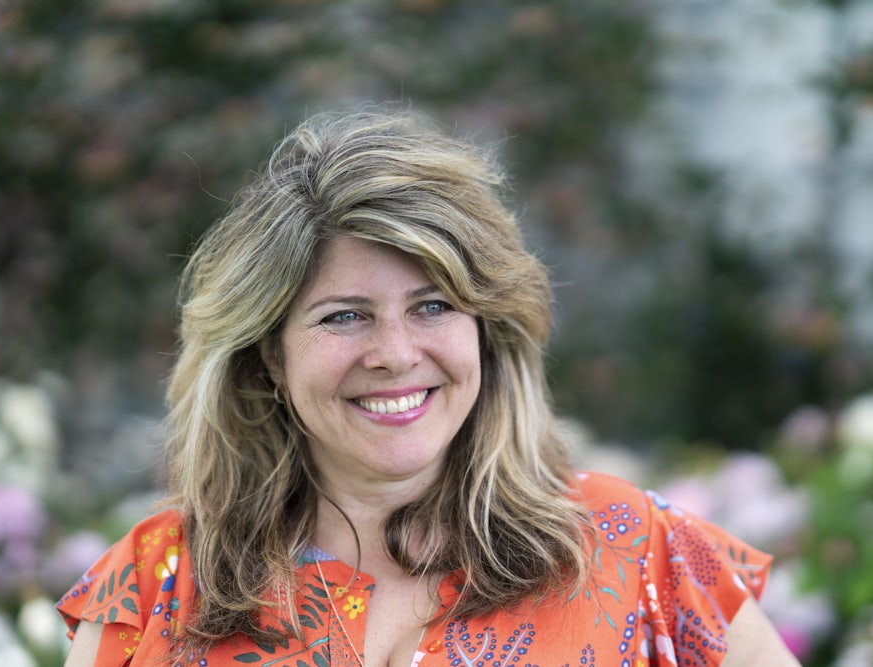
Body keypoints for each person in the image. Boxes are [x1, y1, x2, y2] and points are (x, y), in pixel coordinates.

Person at [58, 107, 800, 667]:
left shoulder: (638, 551)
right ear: (271, 358)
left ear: (485, 328)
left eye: (434, 306)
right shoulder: (158, 582)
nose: (395, 353)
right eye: (344, 316)